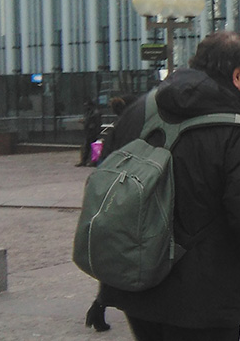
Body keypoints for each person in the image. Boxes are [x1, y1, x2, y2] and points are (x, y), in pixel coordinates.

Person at [97, 31, 240, 341]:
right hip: (204, 295)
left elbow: (108, 179)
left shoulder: (138, 112)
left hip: (137, 281)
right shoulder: (236, 134)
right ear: (238, 75)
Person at [83, 94, 138, 333]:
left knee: (117, 253)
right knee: (127, 253)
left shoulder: (116, 129)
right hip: (127, 193)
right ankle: (101, 304)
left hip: (112, 194)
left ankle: (100, 305)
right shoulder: (133, 128)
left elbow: (104, 161)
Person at [76, 100, 102, 167]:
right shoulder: (89, 112)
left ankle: (93, 162)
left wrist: (88, 123)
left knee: (94, 147)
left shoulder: (95, 112)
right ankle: (84, 161)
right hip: (89, 132)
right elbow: (88, 120)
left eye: (87, 105)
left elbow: (95, 122)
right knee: (86, 146)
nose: (86, 107)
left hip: (93, 132)